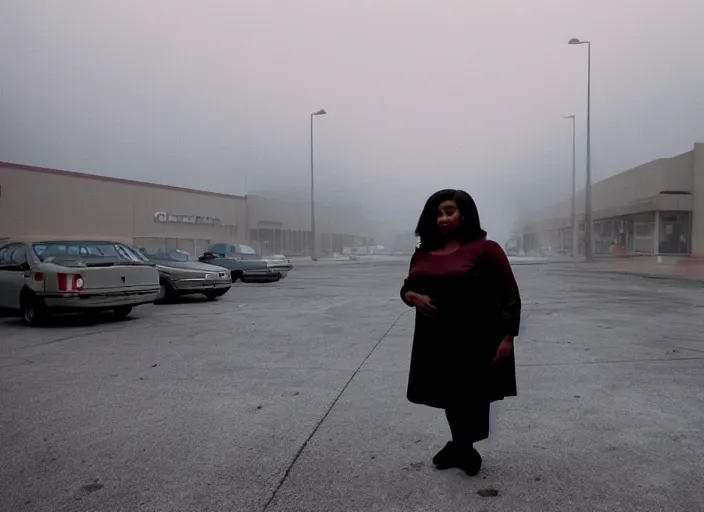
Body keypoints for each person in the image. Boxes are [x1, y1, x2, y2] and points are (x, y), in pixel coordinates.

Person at [400, 189, 521, 476]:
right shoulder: (424, 252)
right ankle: (460, 445)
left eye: (449, 211)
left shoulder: (486, 249)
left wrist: (507, 337)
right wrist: (414, 298)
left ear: (464, 214)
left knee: (472, 395)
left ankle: (463, 448)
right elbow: (407, 288)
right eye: (438, 213)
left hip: (477, 338)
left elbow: (510, 295)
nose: (442, 218)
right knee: (448, 394)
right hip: (435, 339)